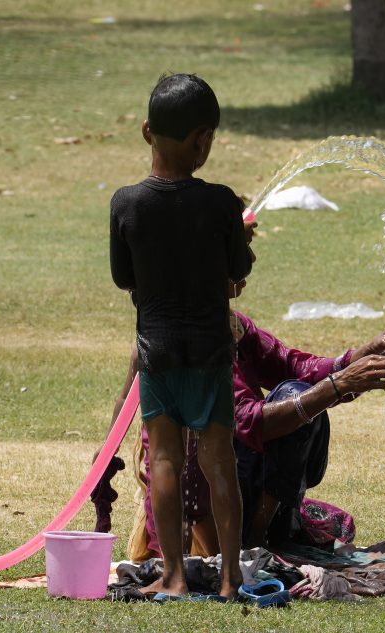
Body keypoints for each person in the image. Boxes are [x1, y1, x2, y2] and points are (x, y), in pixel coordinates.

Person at [106, 224, 385, 560]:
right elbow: (249, 421)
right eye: (241, 250)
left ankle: (258, 535)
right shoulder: (195, 344)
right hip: (199, 514)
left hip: (225, 486)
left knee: (300, 394)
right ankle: (254, 541)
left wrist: (360, 356)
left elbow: (291, 363)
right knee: (298, 399)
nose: (251, 259)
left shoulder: (230, 324)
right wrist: (340, 385)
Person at [109, 73, 252, 599]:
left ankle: (171, 574)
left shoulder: (126, 203)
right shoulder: (220, 204)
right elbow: (236, 272)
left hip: (159, 351)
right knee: (220, 462)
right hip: (211, 351)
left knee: (164, 459)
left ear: (147, 131)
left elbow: (125, 279)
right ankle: (231, 577)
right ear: (203, 140)